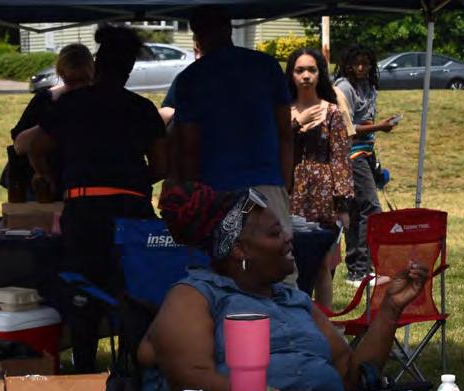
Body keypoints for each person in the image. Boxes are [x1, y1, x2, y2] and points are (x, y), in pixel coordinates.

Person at [138, 182, 429, 391]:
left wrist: (390, 308)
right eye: (275, 233)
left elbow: (353, 376)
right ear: (239, 249)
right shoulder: (196, 296)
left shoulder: (295, 300)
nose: (289, 238)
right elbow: (191, 380)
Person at [30, 25, 168, 373]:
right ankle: (135, 370)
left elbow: (36, 146)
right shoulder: (141, 108)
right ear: (128, 70)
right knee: (134, 292)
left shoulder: (71, 103)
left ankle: (84, 369)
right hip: (132, 211)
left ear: (96, 63)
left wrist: (49, 176)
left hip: (84, 210)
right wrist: (132, 182)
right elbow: (162, 165)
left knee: (82, 292)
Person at [170, 5, 293, 236]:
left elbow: (188, 147)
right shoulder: (266, 66)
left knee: (222, 255)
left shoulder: (191, 78)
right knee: (274, 254)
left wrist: (190, 194)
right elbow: (285, 132)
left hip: (215, 190)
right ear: (229, 29)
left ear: (197, 36)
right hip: (267, 183)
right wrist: (283, 184)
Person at [286, 47, 353, 309]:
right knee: (289, 261)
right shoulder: (282, 111)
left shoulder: (332, 112)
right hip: (289, 192)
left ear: (320, 74)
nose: (305, 76)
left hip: (323, 196)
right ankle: (296, 315)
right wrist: (296, 123)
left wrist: (343, 205)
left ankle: (323, 320)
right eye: (299, 70)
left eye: (311, 70)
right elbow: (273, 146)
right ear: (291, 74)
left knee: (322, 264)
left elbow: (341, 159)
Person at [334, 45, 399, 286]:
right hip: (351, 154)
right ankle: (361, 270)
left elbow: (367, 120)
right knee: (371, 209)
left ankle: (358, 270)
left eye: (365, 63)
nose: (361, 68)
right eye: (356, 63)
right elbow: (347, 128)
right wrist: (379, 127)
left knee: (357, 210)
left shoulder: (369, 87)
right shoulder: (343, 88)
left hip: (367, 153)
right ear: (348, 65)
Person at [5, 44, 94, 202]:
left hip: (58, 186)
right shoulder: (47, 101)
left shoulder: (48, 100)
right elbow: (21, 144)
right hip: (57, 187)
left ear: (60, 70)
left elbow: (21, 144)